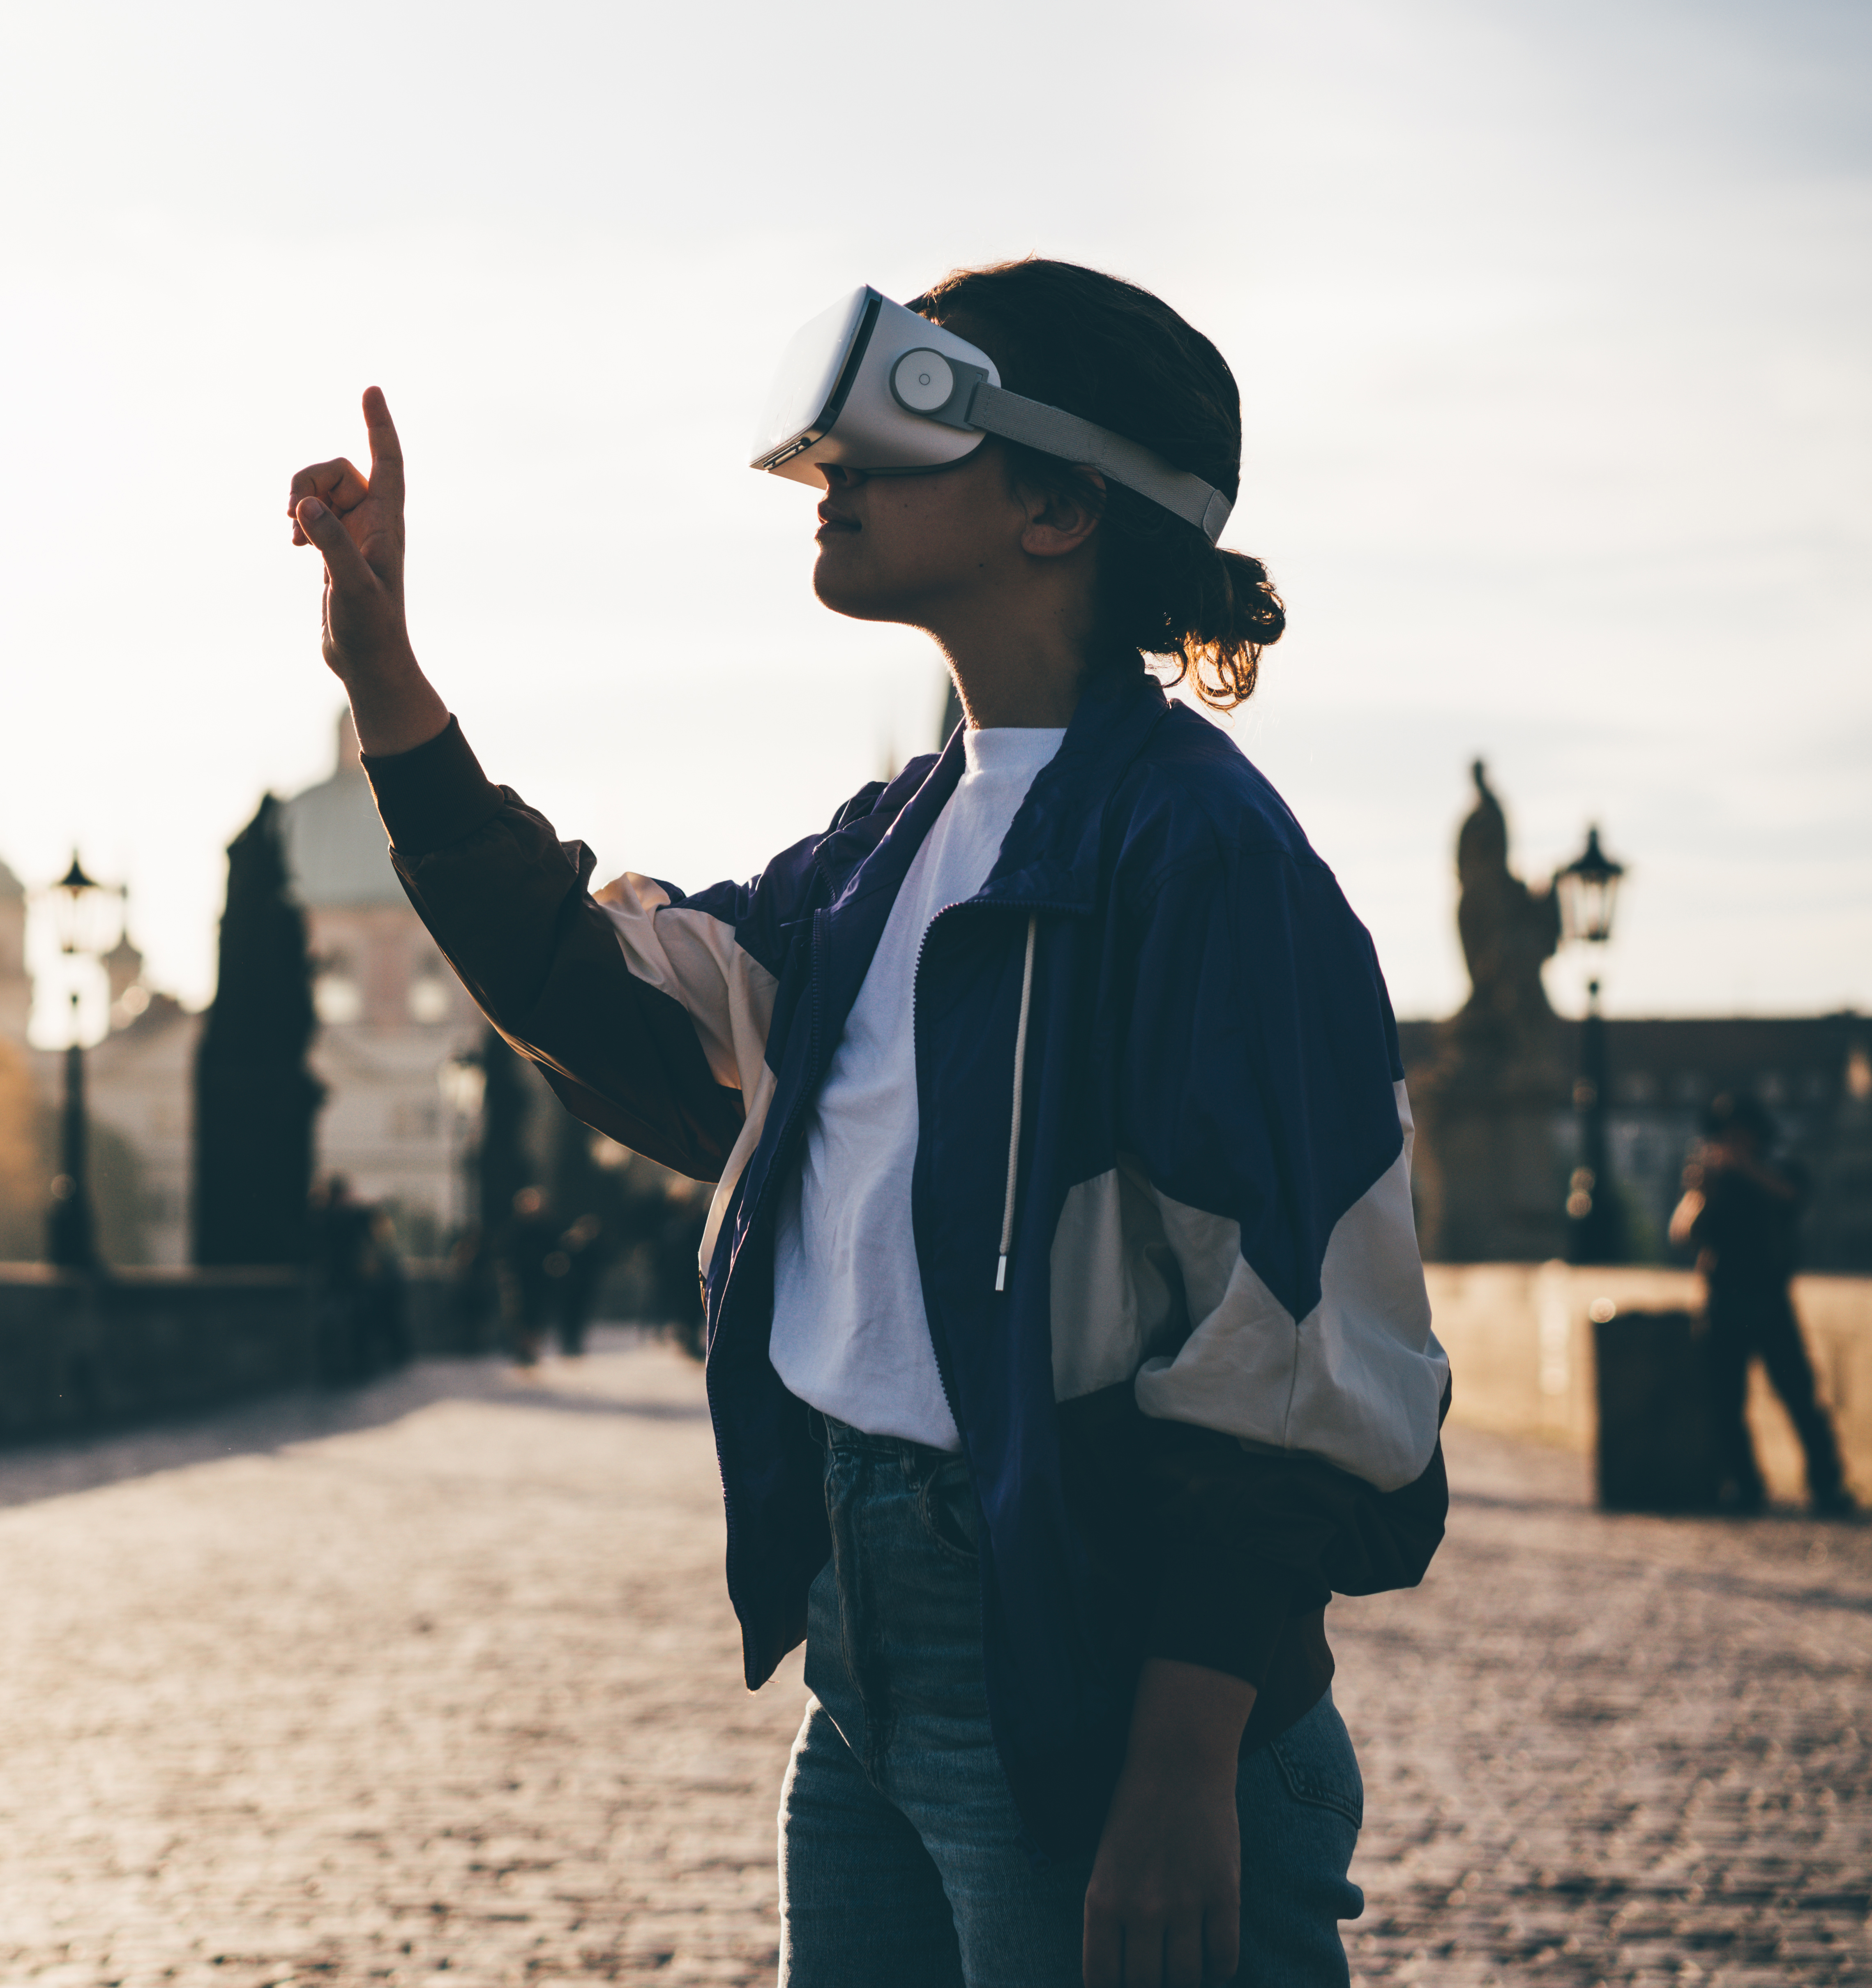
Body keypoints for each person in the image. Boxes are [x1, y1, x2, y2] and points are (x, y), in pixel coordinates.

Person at [286, 258, 1450, 1988]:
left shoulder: (1203, 862)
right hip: (864, 1674)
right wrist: (385, 683)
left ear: (1053, 503)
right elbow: (600, 994)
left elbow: (1285, 1353)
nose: (826, 465)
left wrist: (1178, 1760)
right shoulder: (892, 837)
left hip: (1093, 1680)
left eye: (899, 418)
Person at [1671, 1093, 1855, 1518]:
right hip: (1722, 1298)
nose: (1734, 1143)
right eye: (1727, 1136)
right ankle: (1744, 1484)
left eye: (1741, 1134)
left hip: (1769, 1298)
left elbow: (1791, 1195)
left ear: (1756, 1136)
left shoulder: (1776, 1170)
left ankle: (1826, 1484)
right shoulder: (1712, 1180)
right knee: (1724, 1401)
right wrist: (1703, 1190)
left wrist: (1744, 1168)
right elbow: (1683, 1233)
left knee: (1798, 1395)